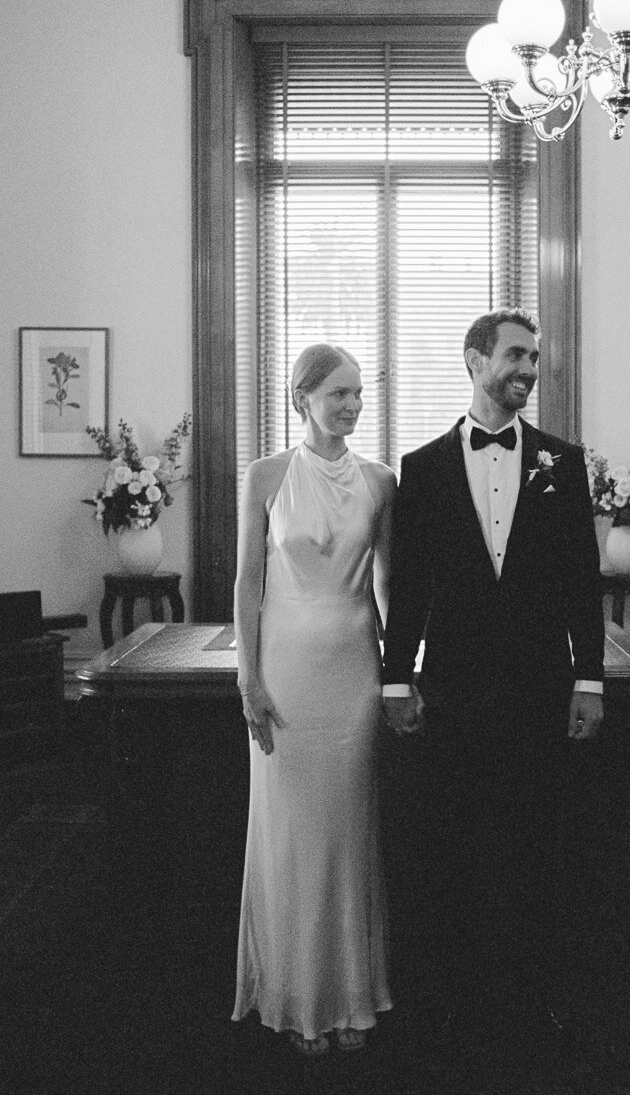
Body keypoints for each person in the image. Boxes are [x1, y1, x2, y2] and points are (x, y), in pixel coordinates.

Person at [381, 307, 605, 1042]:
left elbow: (581, 580)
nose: (528, 370)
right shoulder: (421, 467)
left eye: (534, 359)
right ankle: (455, 994)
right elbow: (410, 585)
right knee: (454, 839)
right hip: (455, 684)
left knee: (538, 837)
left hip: (541, 684)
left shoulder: (562, 462)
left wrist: (589, 679)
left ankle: (535, 992)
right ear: (475, 361)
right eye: (515, 355)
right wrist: (395, 679)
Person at [232, 343, 397, 1057]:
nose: (352, 405)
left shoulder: (381, 481)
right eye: (338, 394)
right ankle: (297, 997)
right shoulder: (265, 475)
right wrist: (248, 677)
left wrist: (399, 673)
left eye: (358, 393)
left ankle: (350, 997)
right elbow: (247, 582)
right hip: (286, 670)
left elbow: (386, 583)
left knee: (347, 833)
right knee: (293, 833)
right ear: (303, 398)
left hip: (354, 671)